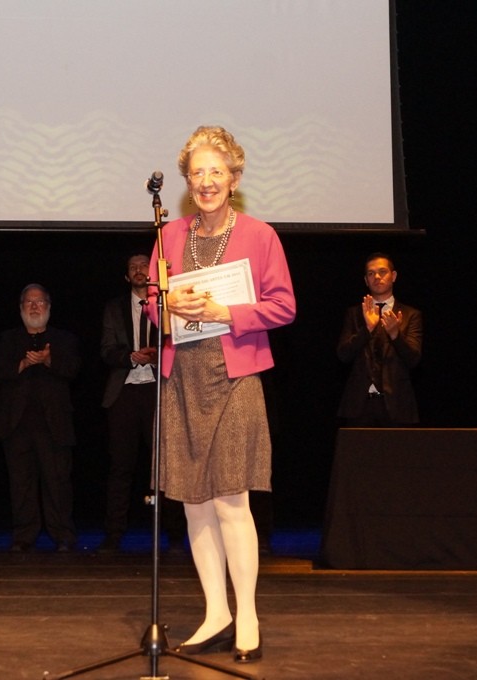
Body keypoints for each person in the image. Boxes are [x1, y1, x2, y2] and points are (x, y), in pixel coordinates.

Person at [148, 125, 296, 663]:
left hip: (234, 378)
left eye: (217, 172)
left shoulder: (260, 236)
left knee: (233, 499)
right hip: (182, 379)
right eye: (198, 173)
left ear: (233, 179)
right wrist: (167, 310)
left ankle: (248, 615)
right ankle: (216, 611)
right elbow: (150, 306)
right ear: (187, 182)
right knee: (193, 502)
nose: (206, 182)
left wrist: (223, 313)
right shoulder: (167, 237)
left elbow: (284, 306)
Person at [98, 253, 185, 554]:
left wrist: (155, 355)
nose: (137, 271)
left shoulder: (167, 303)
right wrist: (130, 357)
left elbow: (179, 343)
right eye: (132, 267)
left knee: (164, 467)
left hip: (159, 390)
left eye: (142, 266)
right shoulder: (113, 308)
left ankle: (174, 536)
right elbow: (106, 349)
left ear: (152, 273)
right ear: (126, 276)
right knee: (120, 467)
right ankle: (113, 535)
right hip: (123, 393)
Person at [0, 284, 80, 553]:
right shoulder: (8, 339)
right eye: (28, 302)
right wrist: (23, 364)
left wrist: (50, 360)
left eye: (39, 302)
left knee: (58, 483)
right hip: (16, 425)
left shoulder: (64, 339)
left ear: (49, 308)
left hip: (54, 425)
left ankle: (62, 535)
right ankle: (23, 536)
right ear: (20, 309)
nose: (34, 307)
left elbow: (74, 369)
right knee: (21, 485)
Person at [336, 253, 423, 426]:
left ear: (394, 276)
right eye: (371, 273)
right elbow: (343, 354)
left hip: (397, 405)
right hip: (359, 406)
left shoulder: (410, 315)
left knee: (397, 453)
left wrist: (395, 334)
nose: (377, 277)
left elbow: (413, 359)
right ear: (366, 280)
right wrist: (367, 329)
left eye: (382, 272)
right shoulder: (354, 314)